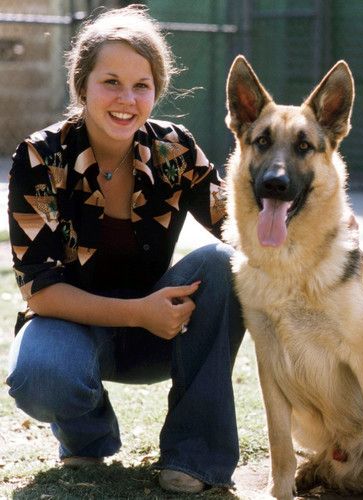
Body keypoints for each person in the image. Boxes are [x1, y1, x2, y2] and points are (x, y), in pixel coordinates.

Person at [6, 5, 245, 494]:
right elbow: (41, 291)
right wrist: (139, 313)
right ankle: (86, 438)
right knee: (39, 374)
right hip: (75, 328)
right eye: (110, 81)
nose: (126, 99)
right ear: (82, 85)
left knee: (222, 263)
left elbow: (237, 226)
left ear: (157, 91)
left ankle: (195, 456)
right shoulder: (40, 156)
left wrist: (312, 220)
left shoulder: (175, 151)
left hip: (157, 335)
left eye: (142, 85)